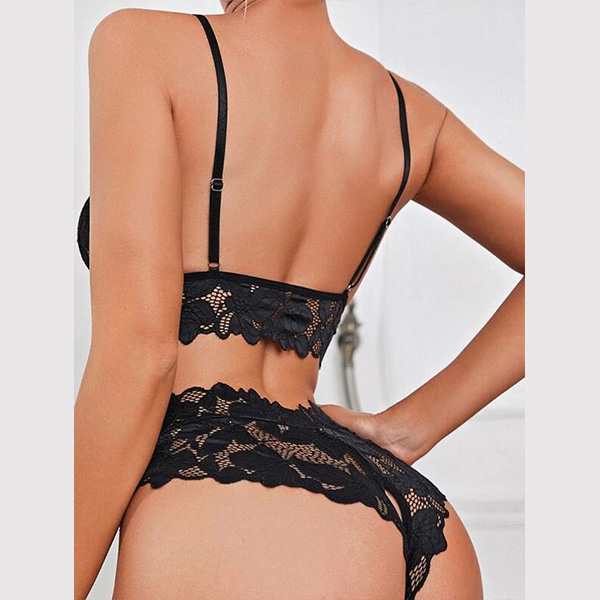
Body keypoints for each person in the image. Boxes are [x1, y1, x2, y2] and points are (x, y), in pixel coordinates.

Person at [74, 1, 524, 599]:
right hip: (404, 515)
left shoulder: (142, 45)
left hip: (221, 492)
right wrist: (406, 433)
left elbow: (139, 360)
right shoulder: (411, 115)